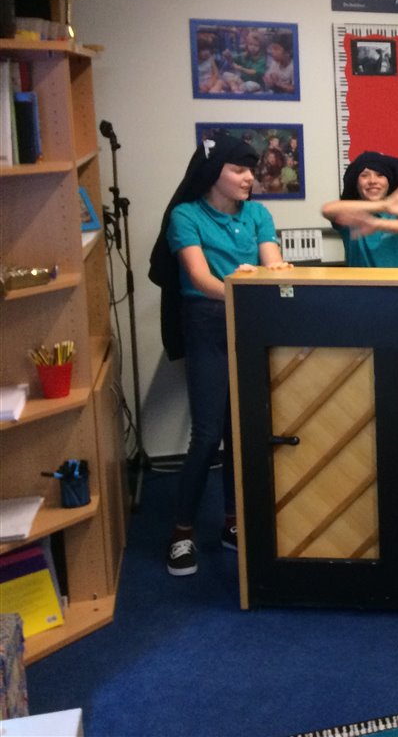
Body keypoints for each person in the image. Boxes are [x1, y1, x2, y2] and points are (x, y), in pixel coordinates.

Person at [146, 134, 292, 577]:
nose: (250, 178)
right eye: (239, 169)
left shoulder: (258, 214)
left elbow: (271, 260)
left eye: (251, 170)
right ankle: (181, 531)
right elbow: (198, 276)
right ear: (214, 173)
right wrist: (239, 285)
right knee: (208, 435)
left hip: (250, 322)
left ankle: (232, 521)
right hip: (207, 322)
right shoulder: (186, 215)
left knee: (242, 432)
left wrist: (273, 271)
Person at [321, 151, 398, 268]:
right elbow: (327, 209)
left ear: (388, 182)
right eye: (364, 175)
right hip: (361, 280)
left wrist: (378, 224)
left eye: (380, 175)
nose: (372, 181)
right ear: (356, 183)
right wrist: (384, 205)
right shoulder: (350, 213)